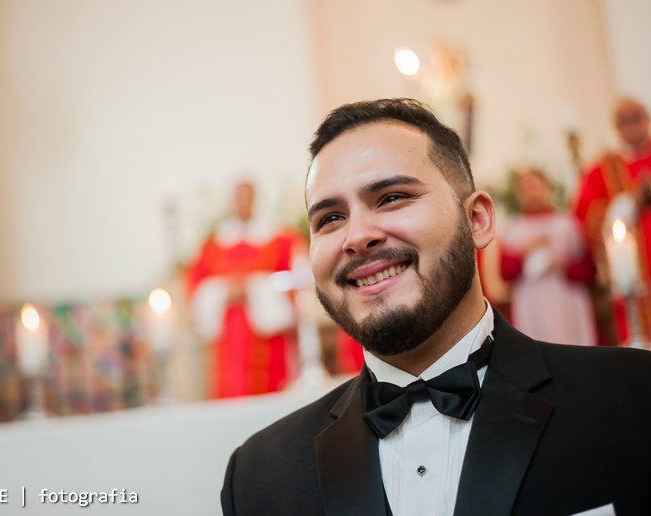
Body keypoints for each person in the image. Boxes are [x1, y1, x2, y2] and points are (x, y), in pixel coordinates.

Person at [221, 98, 651, 515]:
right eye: (330, 218)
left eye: (391, 197)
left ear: (477, 220)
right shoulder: (258, 477)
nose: (357, 236)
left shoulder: (632, 398)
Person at [187, 181, 299, 398]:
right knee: (231, 388)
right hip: (228, 332)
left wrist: (252, 289)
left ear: (255, 200)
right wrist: (222, 291)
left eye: (246, 197)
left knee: (272, 393)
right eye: (237, 198)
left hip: (267, 334)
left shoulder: (278, 240)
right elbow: (196, 283)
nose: (241, 203)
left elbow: (293, 281)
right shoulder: (214, 245)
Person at [573, 97, 651, 343]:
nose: (631, 125)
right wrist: (631, 201)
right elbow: (585, 217)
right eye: (623, 121)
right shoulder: (603, 170)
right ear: (616, 127)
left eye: (636, 117)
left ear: (647, 119)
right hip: (635, 274)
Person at [500, 168, 597, 346]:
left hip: (566, 300)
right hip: (532, 304)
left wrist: (564, 265)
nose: (531, 192)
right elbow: (506, 273)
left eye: (534, 186)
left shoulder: (566, 224)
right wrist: (523, 251)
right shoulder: (514, 229)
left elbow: (588, 270)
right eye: (525, 188)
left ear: (546, 186)